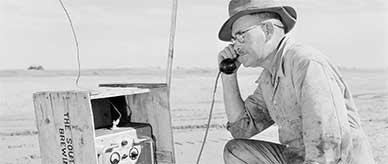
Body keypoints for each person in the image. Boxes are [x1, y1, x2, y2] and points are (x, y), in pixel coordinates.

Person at [217, 0, 376, 163]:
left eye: (241, 36)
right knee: (236, 151)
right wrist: (228, 75)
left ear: (268, 30)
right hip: (301, 158)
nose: (235, 46)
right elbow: (242, 129)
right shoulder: (269, 78)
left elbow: (328, 146)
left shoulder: (305, 63)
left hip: (335, 160)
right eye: (233, 40)